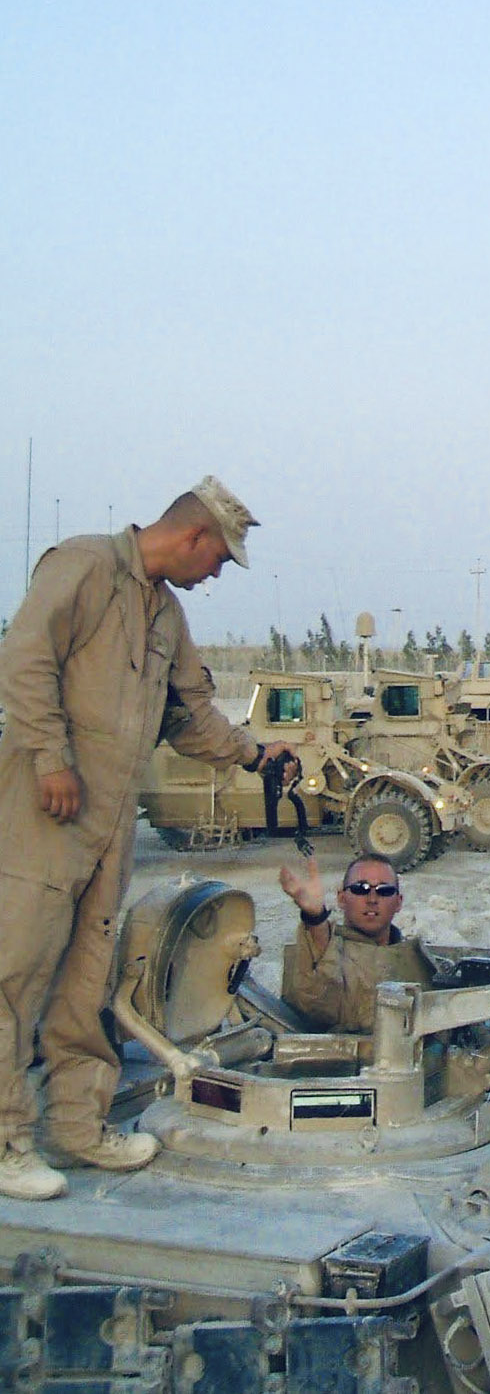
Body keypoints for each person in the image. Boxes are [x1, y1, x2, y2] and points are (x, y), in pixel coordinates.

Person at [0, 478, 294, 1201]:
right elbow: (24, 658)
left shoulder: (166, 614)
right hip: (45, 808)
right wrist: (50, 758)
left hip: (108, 825)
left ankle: (75, 1126)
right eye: (220, 559)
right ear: (193, 537)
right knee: (14, 975)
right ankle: (8, 1143)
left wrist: (255, 754)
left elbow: (189, 716)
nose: (217, 574)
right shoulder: (85, 564)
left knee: (86, 983)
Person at [277, 853, 435, 1033]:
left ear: (398, 902)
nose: (372, 899)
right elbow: (315, 1004)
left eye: (384, 890)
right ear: (342, 898)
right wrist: (316, 918)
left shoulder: (418, 959)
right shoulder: (324, 948)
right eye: (361, 889)